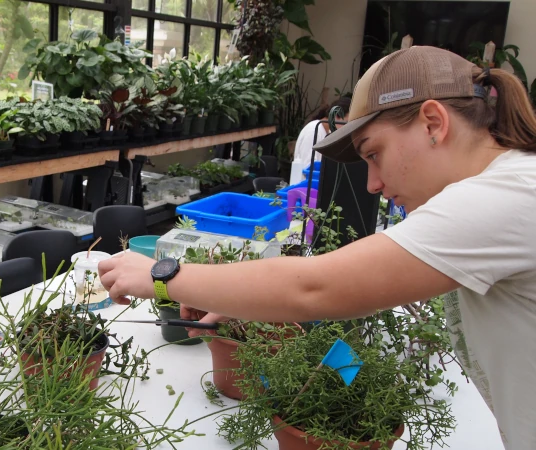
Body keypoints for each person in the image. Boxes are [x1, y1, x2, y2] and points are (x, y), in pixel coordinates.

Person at [99, 46, 536, 450]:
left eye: (374, 153)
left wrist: (165, 278)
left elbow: (314, 287)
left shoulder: (504, 196)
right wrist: (241, 300)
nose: (373, 185)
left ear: (433, 123)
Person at [293, 96, 352, 168]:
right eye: (347, 123)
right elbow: (308, 166)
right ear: (336, 116)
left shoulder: (328, 133)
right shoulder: (313, 130)